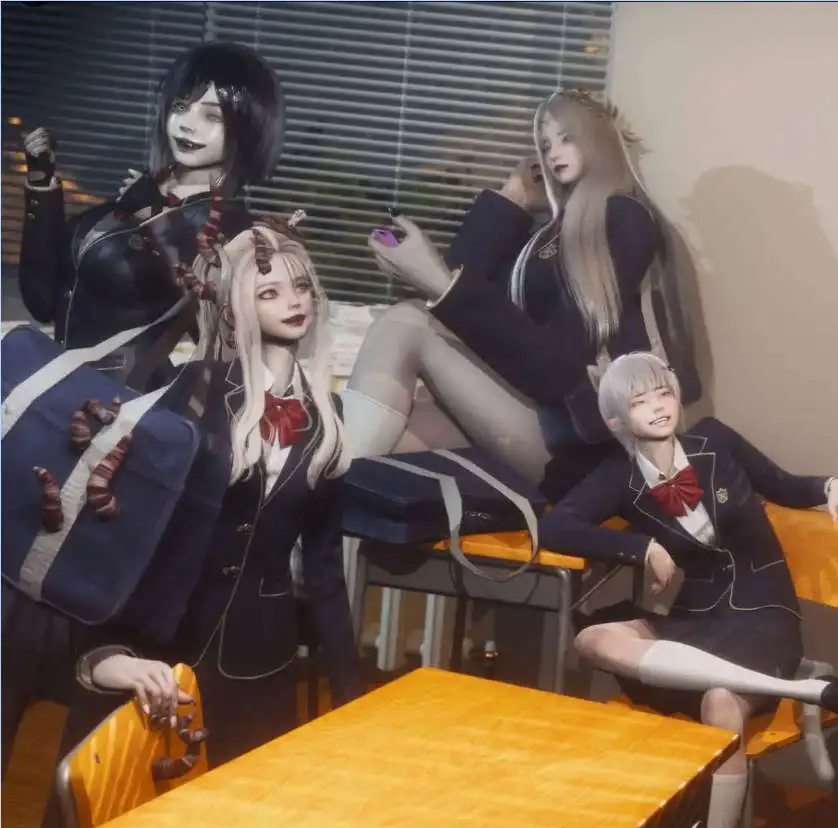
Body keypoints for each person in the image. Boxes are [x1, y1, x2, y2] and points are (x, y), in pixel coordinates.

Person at [539, 351, 838, 828]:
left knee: (720, 703)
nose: (657, 407)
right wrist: (642, 548)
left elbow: (781, 483)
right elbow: (554, 526)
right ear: (615, 420)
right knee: (592, 638)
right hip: (697, 620)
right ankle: (801, 689)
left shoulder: (714, 439)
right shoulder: (617, 476)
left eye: (663, 394)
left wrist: (830, 484)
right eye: (639, 401)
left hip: (763, 615)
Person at [72, 219, 362, 770]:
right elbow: (132, 521)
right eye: (269, 292)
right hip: (168, 631)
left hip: (259, 650)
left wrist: (350, 693)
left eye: (301, 287)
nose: (293, 301)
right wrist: (105, 648)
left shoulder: (330, 415)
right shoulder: (196, 388)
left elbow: (324, 566)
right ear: (237, 306)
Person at [342, 88, 698, 501]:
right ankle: (312, 500)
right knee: (383, 440)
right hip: (541, 416)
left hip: (589, 448)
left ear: (599, 138)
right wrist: (512, 199)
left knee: (407, 322)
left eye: (567, 138)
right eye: (545, 145)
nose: (552, 154)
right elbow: (454, 301)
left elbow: (556, 369)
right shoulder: (554, 233)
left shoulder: (625, 218)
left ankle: (305, 489)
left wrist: (440, 285)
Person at [17, 41, 279, 390]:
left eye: (212, 116)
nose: (187, 124)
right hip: (63, 388)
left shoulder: (231, 225)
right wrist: (42, 185)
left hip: (123, 403)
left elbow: (217, 336)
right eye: (181, 106)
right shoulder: (141, 190)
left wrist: (154, 216)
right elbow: (42, 301)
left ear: (248, 127)